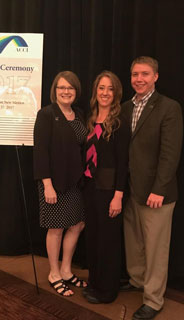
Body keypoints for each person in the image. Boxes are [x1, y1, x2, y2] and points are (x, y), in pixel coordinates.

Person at [121, 56, 183, 320]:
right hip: (131, 190)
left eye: (145, 74)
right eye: (135, 74)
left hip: (157, 193)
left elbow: (170, 154)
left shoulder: (169, 107)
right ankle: (137, 281)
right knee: (134, 243)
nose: (139, 79)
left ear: (155, 76)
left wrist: (159, 188)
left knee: (157, 248)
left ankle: (154, 300)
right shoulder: (124, 107)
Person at [33, 71, 88, 297]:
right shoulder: (46, 114)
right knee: (55, 229)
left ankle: (66, 270)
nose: (66, 92)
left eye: (70, 88)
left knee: (77, 225)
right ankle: (54, 273)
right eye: (61, 88)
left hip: (76, 182)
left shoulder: (80, 114)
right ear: (54, 90)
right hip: (53, 183)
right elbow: (40, 152)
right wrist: (47, 184)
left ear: (76, 92)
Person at [82, 71, 130, 303]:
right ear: (95, 91)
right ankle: (95, 282)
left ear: (116, 93)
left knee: (108, 242)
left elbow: (123, 163)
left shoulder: (120, 122)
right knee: (93, 238)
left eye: (110, 89)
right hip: (90, 187)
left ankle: (107, 291)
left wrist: (118, 196)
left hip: (110, 191)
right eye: (101, 88)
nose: (105, 93)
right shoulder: (90, 119)